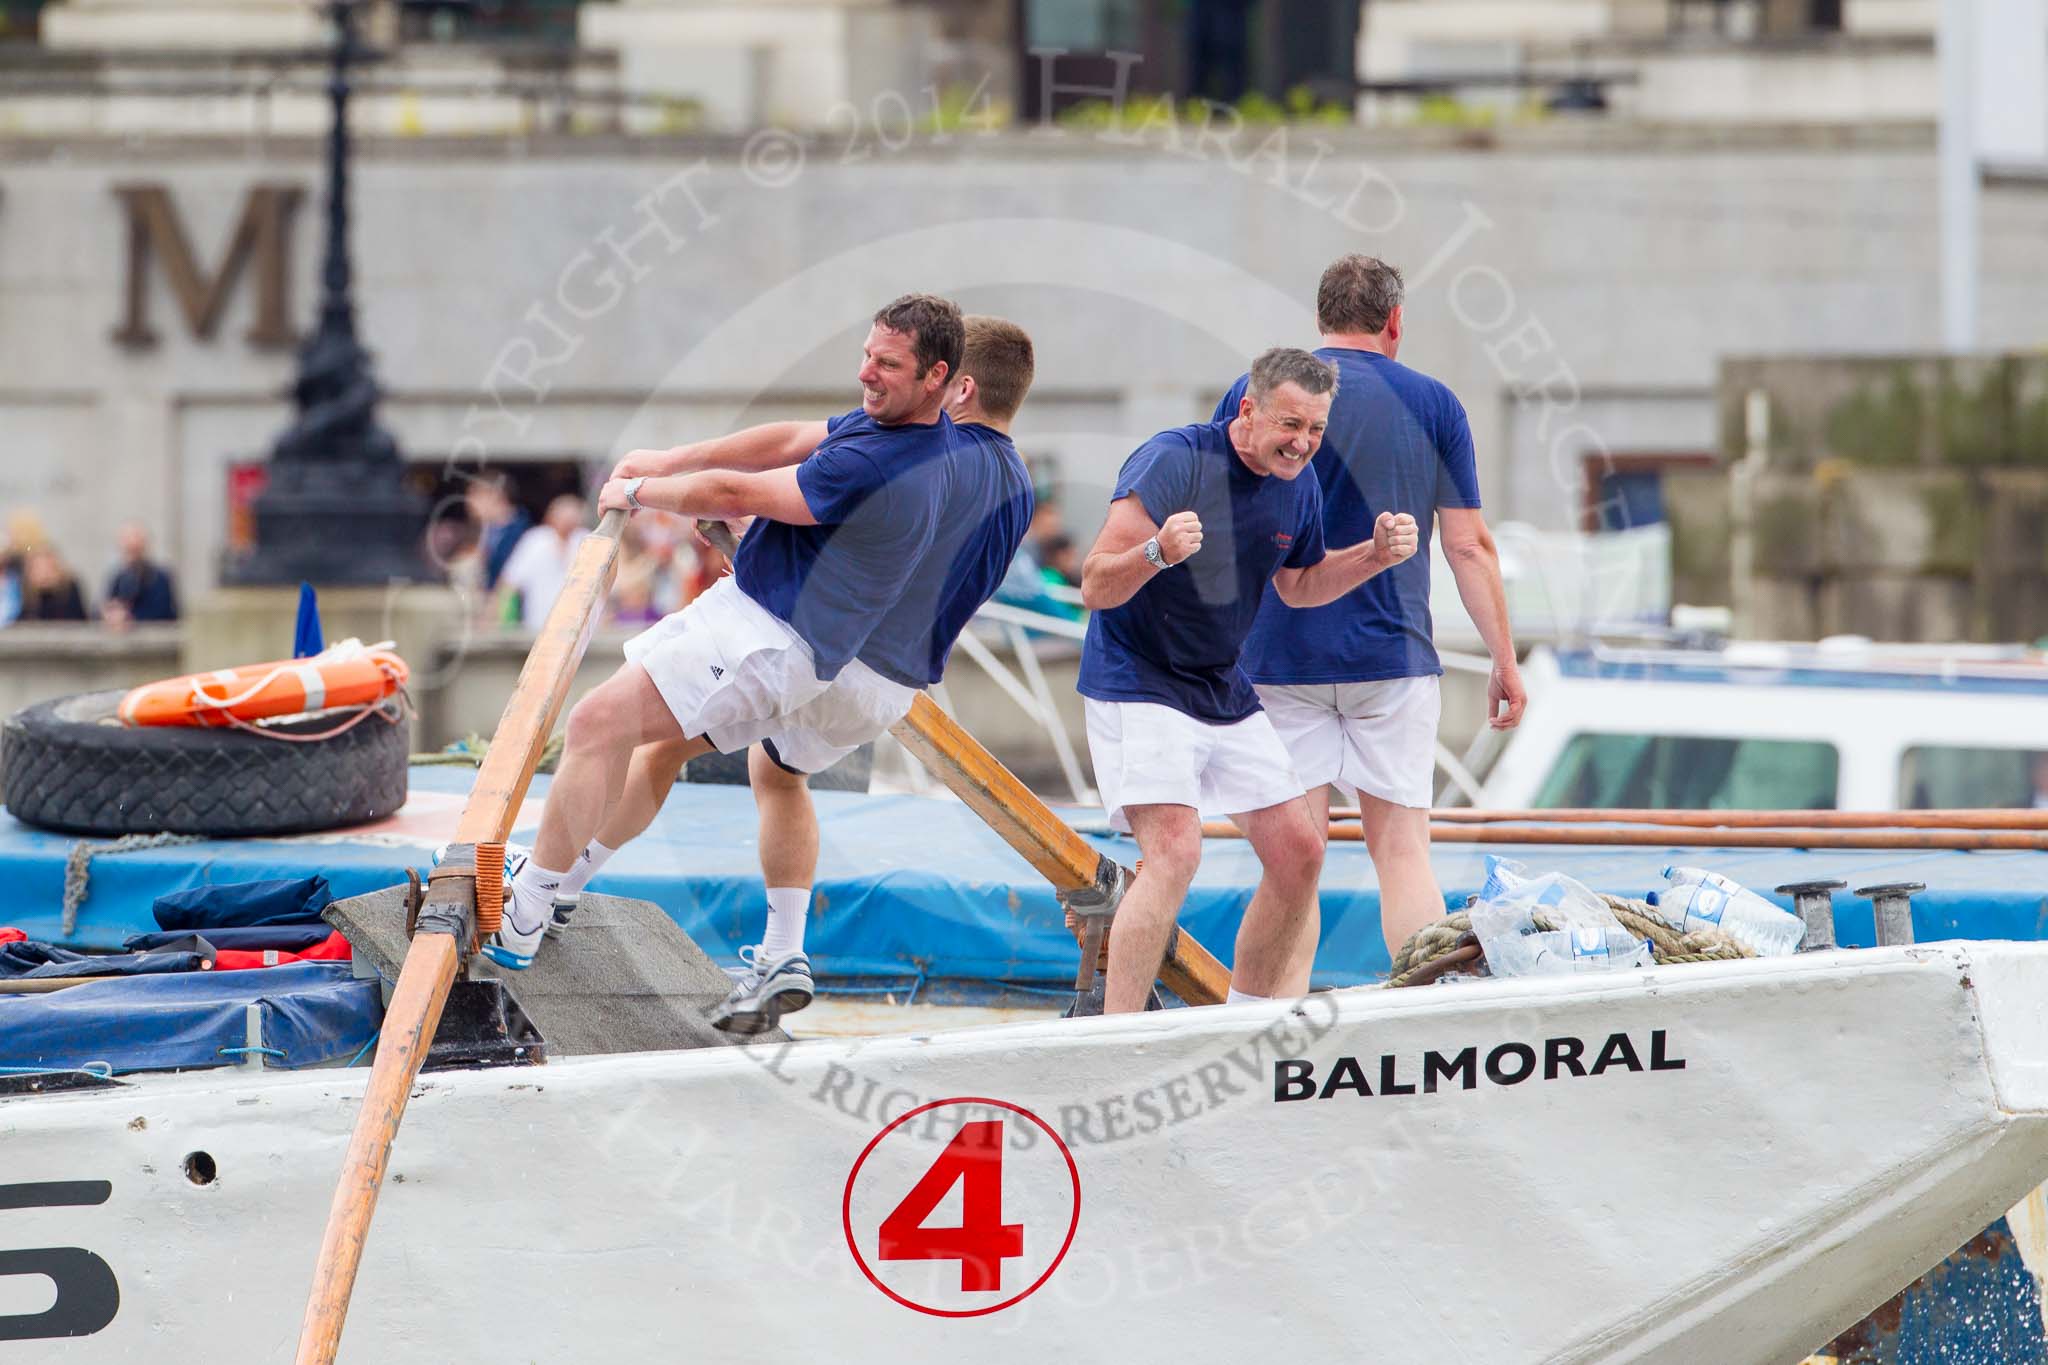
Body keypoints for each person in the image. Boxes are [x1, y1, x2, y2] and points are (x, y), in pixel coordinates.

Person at [505, 313, 1039, 1037]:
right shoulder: (1014, 485)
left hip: (820, 648)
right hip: (887, 681)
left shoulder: (928, 452)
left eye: (890, 363)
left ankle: (535, 900)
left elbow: (790, 481)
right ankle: (779, 946)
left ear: (955, 383)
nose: (868, 378)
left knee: (604, 725)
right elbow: (839, 497)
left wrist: (658, 483)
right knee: (747, 767)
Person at [1079, 347, 1418, 1014]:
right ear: (1248, 411)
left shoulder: (1302, 483)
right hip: (1139, 677)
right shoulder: (1174, 459)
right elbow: (1094, 583)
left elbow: (1299, 585)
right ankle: (1115, 1035)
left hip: (1220, 684)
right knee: (1176, 850)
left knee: (1300, 852)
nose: (1302, 443)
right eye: (1290, 425)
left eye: (1316, 430)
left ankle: (1247, 1021)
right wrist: (1157, 551)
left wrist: (1373, 556)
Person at [1214, 255, 1525, 963]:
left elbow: (1220, 524)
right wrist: (1504, 660)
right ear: (1394, 323)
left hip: (1277, 658)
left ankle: (1272, 1024)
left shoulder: (1254, 392)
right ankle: (1424, 1023)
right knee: (1402, 849)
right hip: (1391, 657)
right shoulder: (1435, 403)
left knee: (1293, 864)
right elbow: (1468, 545)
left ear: (1320, 319)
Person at [496, 493, 590, 628]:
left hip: (580, 626)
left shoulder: (586, 540)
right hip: (539, 624)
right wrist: (504, 620)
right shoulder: (535, 540)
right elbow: (510, 582)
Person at [102, 522, 179, 628]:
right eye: (128, 547)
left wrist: (128, 618)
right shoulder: (119, 577)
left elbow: (162, 613)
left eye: (134, 548)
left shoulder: (160, 578)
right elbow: (107, 604)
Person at [467, 473, 531, 593]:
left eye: (475, 496)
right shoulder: (484, 530)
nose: (469, 503)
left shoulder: (524, 534)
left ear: (494, 496)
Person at [18, 546, 88, 622]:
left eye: (48, 568)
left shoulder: (70, 589)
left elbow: (77, 620)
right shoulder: (26, 594)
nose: (45, 574)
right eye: (39, 569)